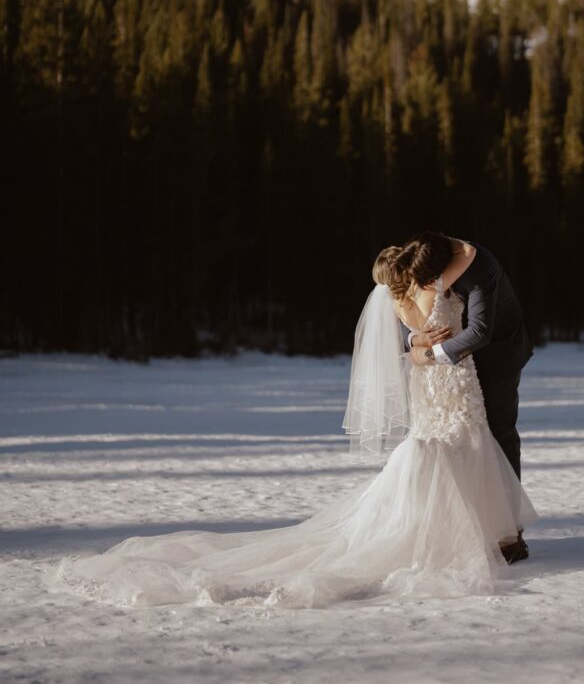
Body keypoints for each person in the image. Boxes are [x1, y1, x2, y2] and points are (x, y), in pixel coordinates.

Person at [46, 245, 537, 609]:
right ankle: (488, 534)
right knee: (467, 445)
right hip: (450, 379)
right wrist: (425, 347)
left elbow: (418, 340)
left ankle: (494, 532)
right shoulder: (437, 283)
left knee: (469, 445)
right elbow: (466, 283)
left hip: (446, 382)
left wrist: (417, 349)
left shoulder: (406, 295)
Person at [397, 232, 534, 563]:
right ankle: (465, 528)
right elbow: (402, 307)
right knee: (455, 443)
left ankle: (509, 535)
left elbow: (479, 332)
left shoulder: (479, 267)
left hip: (497, 357)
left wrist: (429, 356)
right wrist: (416, 338)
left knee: (499, 437)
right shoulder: (420, 259)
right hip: (455, 370)